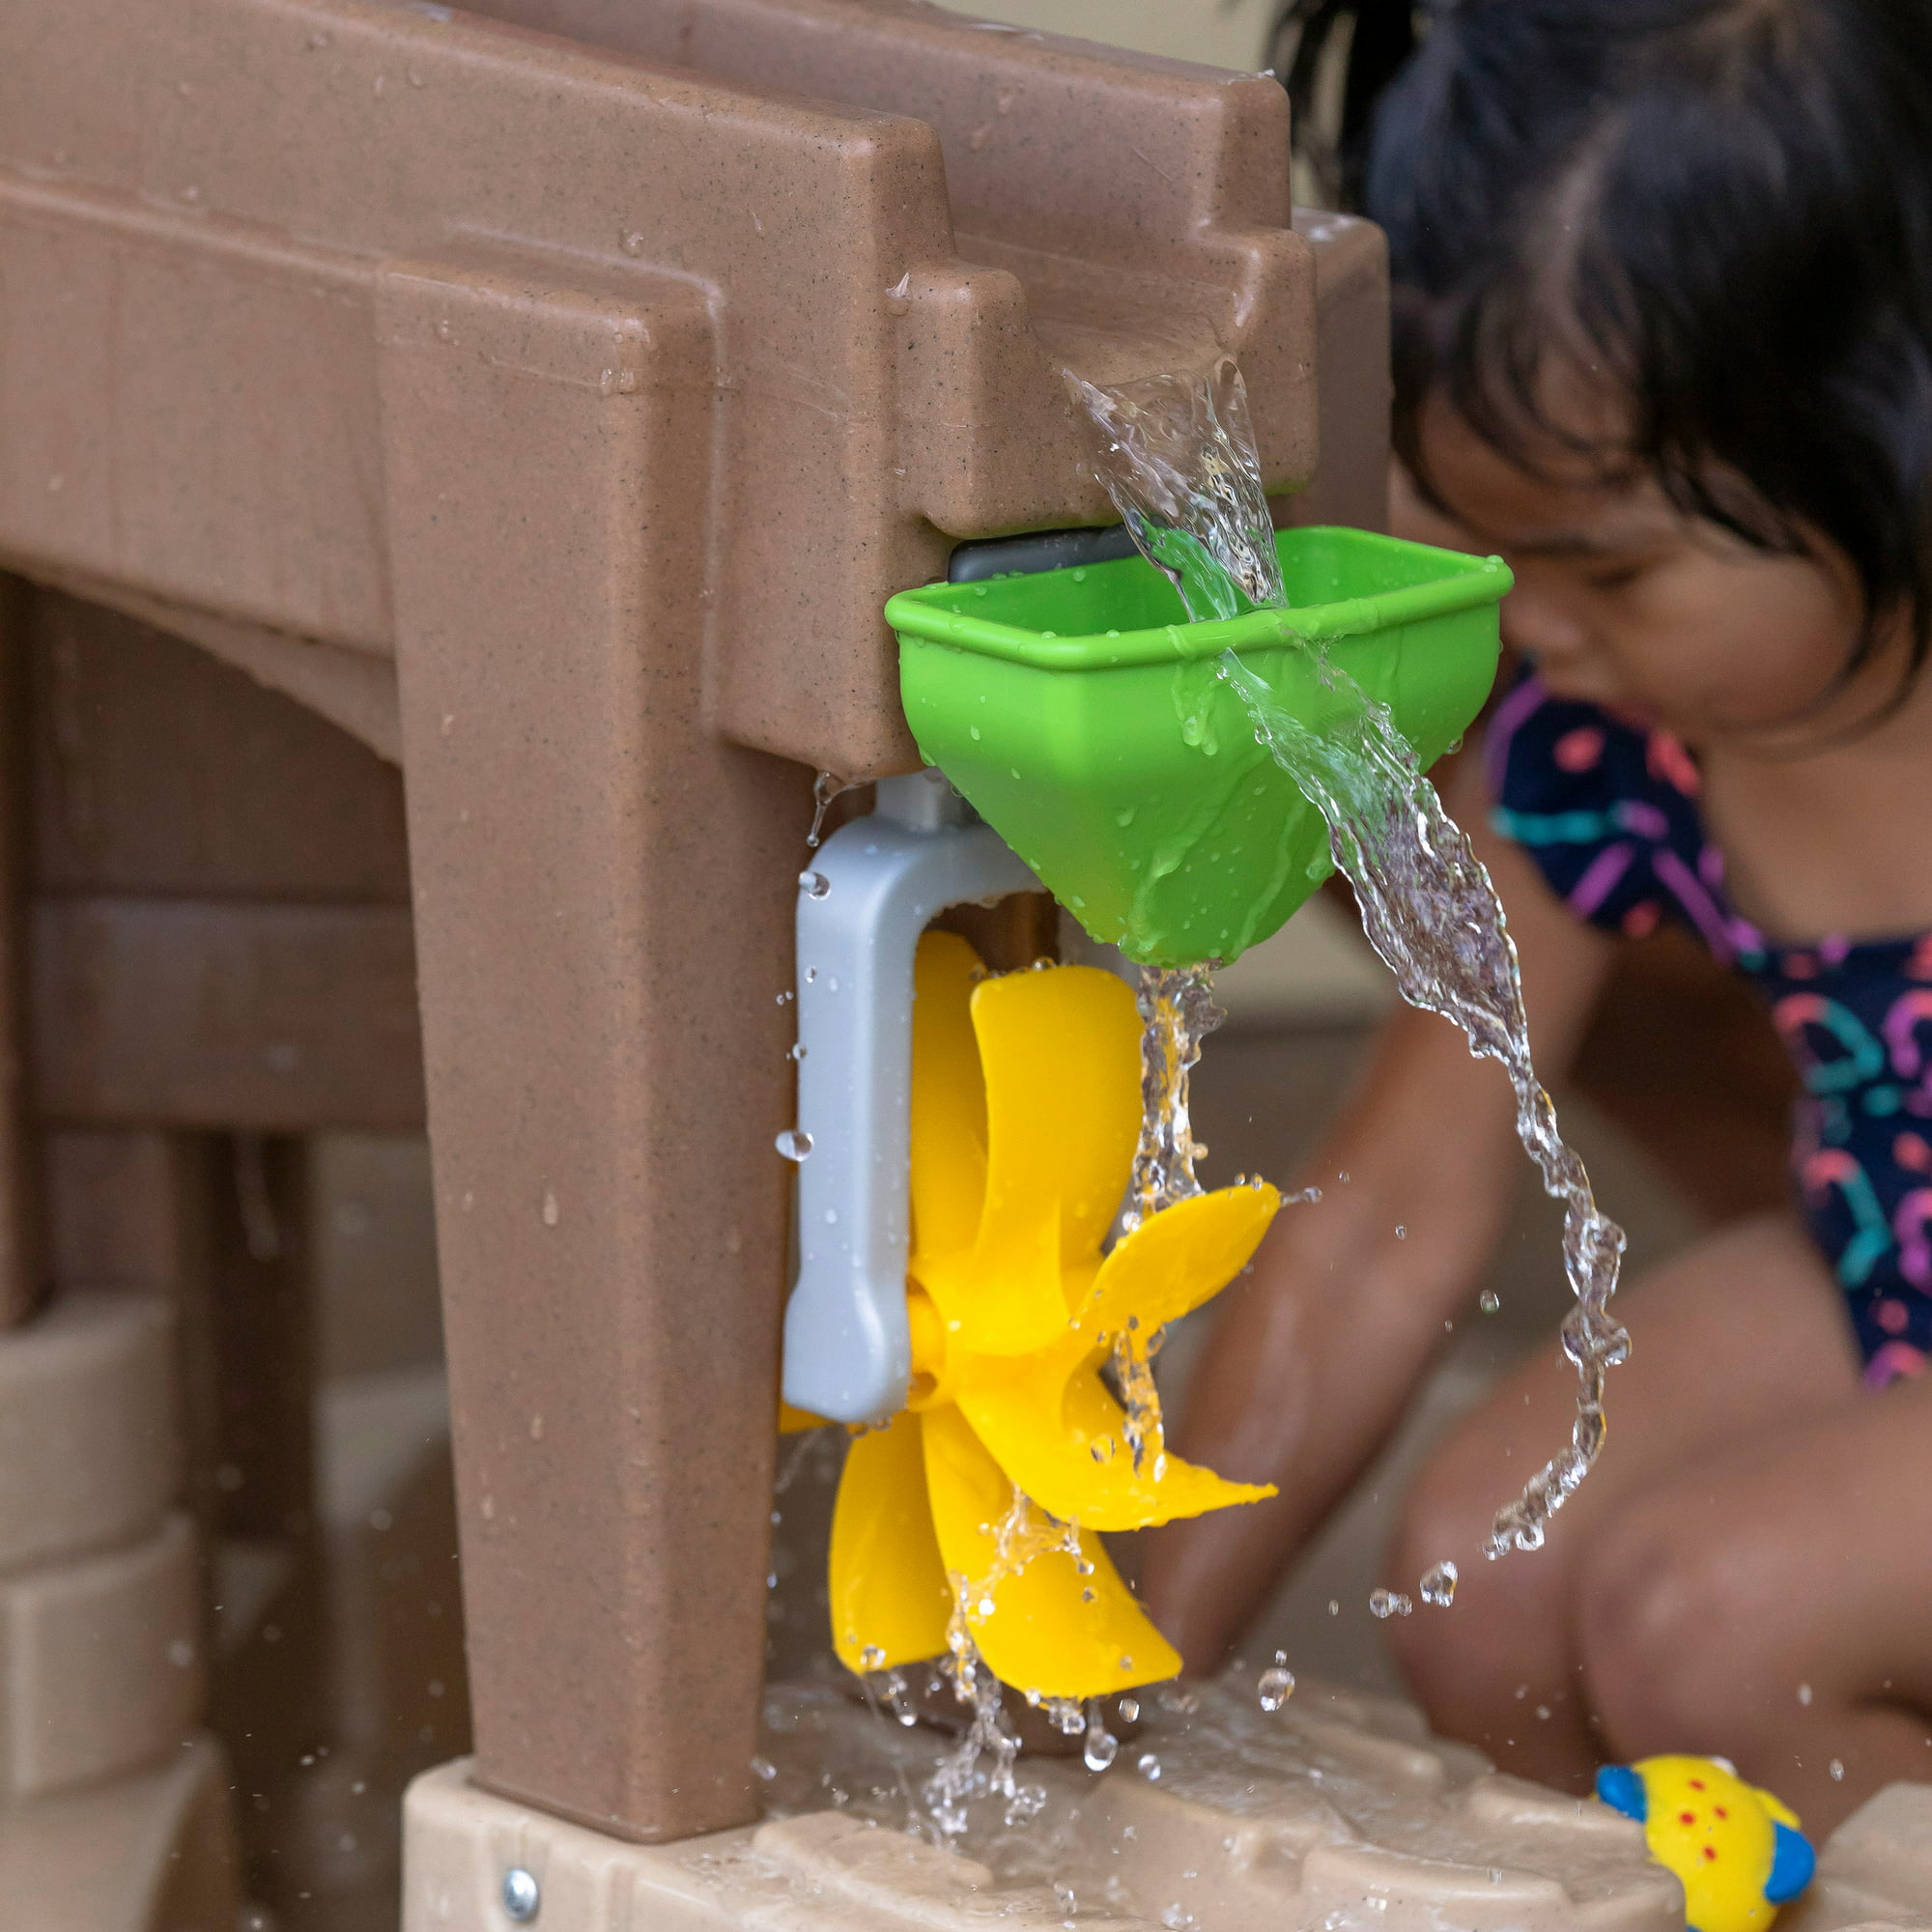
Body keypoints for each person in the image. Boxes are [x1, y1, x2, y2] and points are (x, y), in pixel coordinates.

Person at [1143, 0, 1932, 1830]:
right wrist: (1120, 1671)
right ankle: (1695, 1885)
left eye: (1612, 565)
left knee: (1710, 1627)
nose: (1543, 628)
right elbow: (1384, 1228)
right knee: (1473, 1580)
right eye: (1508, 552)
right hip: (1885, 1264)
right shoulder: (1612, 756)